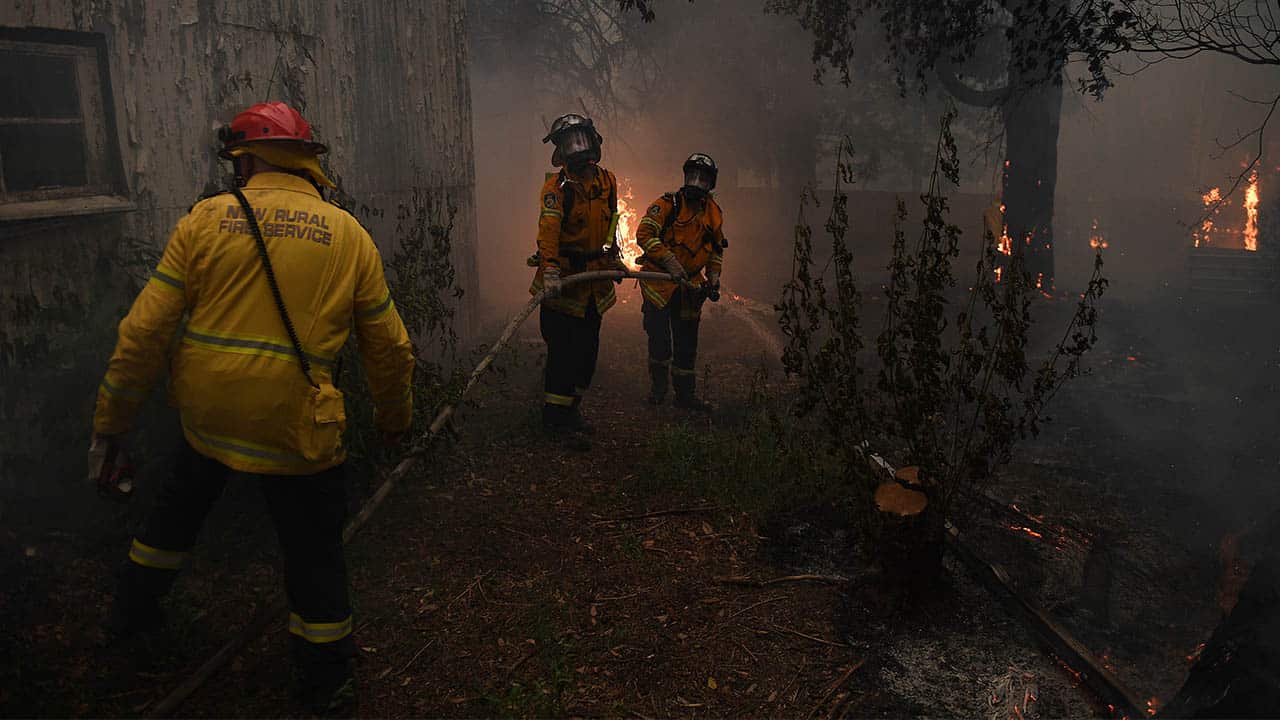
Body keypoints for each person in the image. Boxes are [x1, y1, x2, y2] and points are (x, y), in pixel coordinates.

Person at [89, 101, 414, 713]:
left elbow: (143, 332)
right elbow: (391, 349)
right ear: (306, 163)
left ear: (247, 160)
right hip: (296, 431)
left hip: (207, 420)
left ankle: (130, 620)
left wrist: (111, 425)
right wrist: (394, 422)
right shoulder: (347, 236)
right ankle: (324, 681)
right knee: (314, 556)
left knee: (171, 520)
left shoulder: (205, 221)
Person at [529, 113, 626, 448]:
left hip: (593, 286)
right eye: (570, 144)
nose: (578, 149)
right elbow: (549, 232)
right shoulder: (555, 189)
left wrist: (613, 255)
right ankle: (555, 422)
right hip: (564, 283)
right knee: (562, 353)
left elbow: (613, 219)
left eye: (581, 140)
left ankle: (572, 411)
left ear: (593, 140)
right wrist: (551, 271)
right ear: (561, 151)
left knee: (587, 355)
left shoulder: (608, 181)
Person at [634, 153, 726, 411]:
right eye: (692, 176)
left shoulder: (714, 214)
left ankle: (685, 396)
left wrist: (714, 275)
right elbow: (644, 233)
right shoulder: (668, 204)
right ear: (685, 177)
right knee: (660, 341)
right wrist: (668, 260)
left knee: (686, 345)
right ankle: (658, 389)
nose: (696, 183)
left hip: (690, 289)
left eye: (703, 179)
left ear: (711, 183)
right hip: (659, 285)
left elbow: (716, 249)